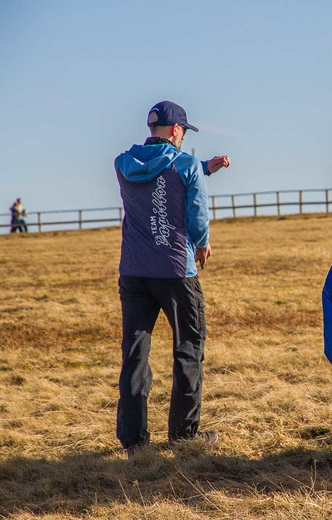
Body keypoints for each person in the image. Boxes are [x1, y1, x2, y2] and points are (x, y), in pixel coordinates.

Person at [114, 100, 230, 457]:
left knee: (135, 352)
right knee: (189, 347)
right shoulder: (185, 164)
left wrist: (203, 168)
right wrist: (203, 243)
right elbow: (195, 210)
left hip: (133, 270)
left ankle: (134, 442)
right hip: (176, 270)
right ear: (177, 131)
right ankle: (183, 436)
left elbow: (159, 179)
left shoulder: (122, 164)